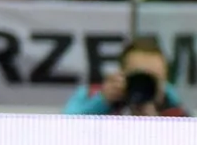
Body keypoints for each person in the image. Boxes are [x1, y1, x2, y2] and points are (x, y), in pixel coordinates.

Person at [62, 37, 190, 117]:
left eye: (152, 78)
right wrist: (102, 101)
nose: (143, 84)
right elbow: (64, 127)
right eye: (138, 76)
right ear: (121, 73)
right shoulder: (91, 95)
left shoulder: (172, 102)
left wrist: (157, 119)